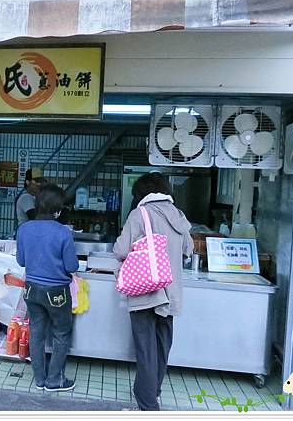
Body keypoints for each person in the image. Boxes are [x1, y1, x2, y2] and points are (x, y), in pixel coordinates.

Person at [113, 172, 193, 411]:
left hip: (146, 290)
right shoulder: (178, 215)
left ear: (141, 193)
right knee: (161, 346)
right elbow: (188, 248)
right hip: (171, 293)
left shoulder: (140, 214)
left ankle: (147, 405)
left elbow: (120, 249)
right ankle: (152, 392)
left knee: (146, 349)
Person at [16, 184, 79, 392]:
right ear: (58, 210)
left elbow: (21, 261)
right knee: (61, 333)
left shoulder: (24, 229)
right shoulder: (63, 233)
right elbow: (72, 266)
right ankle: (55, 381)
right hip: (57, 292)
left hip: (31, 288)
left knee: (36, 333)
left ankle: (39, 379)